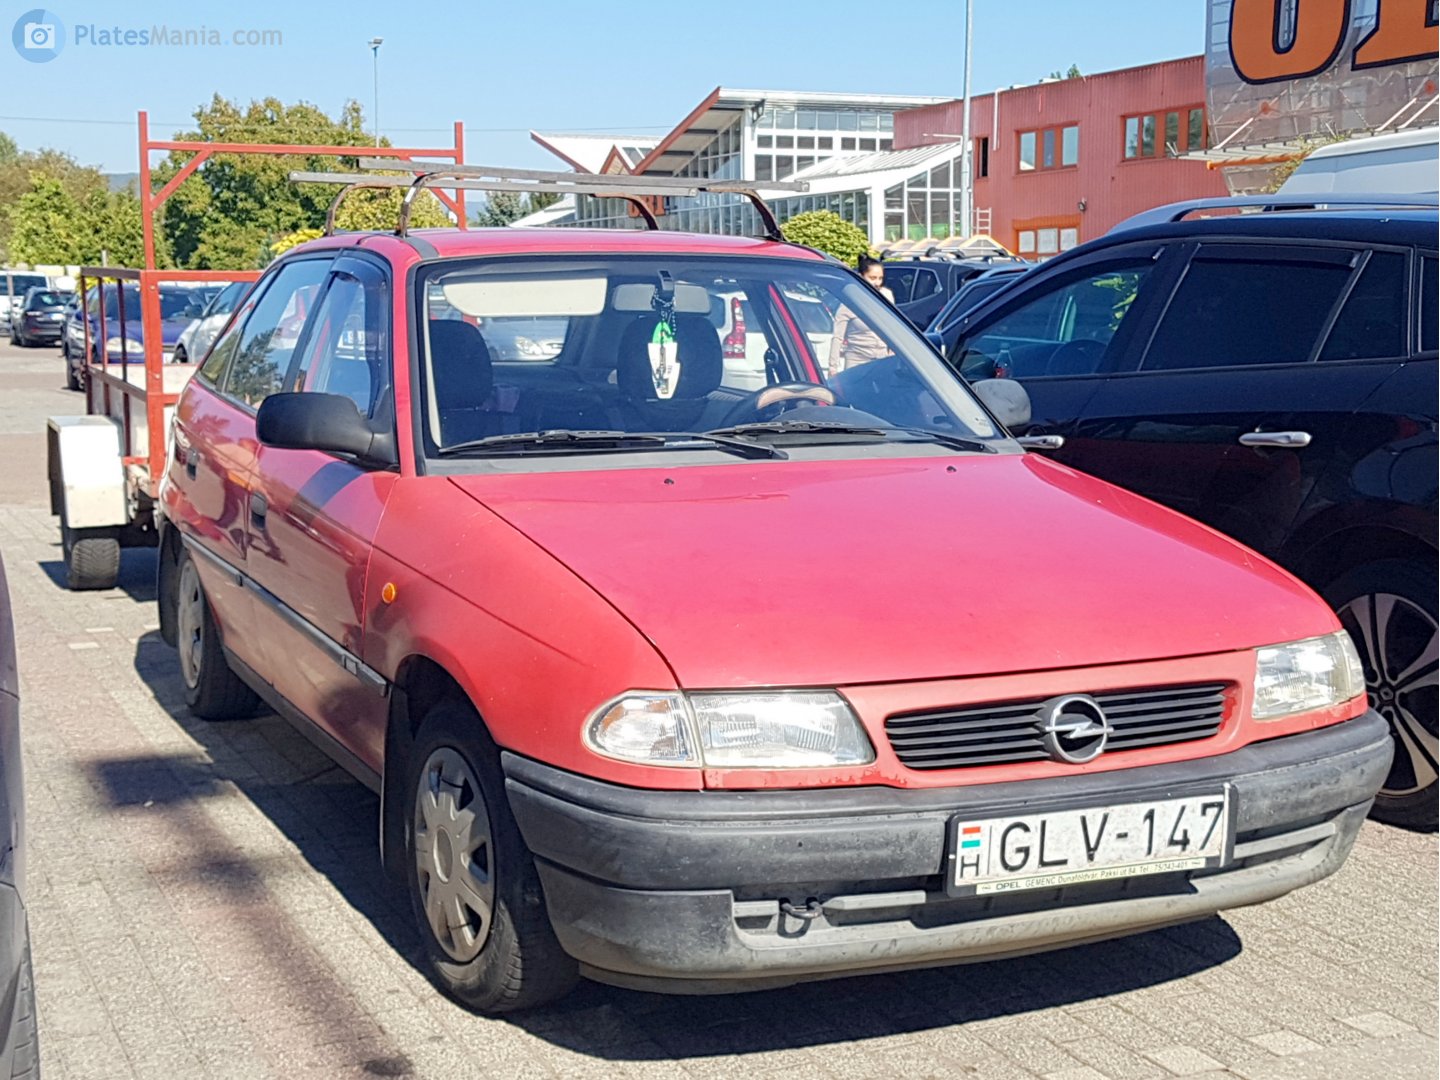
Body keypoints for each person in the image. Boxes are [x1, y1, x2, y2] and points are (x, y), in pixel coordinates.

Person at [827, 255, 896, 377]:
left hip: (882, 360)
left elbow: (894, 328)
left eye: (880, 278)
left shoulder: (887, 296)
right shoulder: (850, 302)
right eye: (873, 278)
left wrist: (892, 353)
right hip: (857, 360)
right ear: (860, 276)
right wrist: (833, 367)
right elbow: (837, 337)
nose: (877, 283)